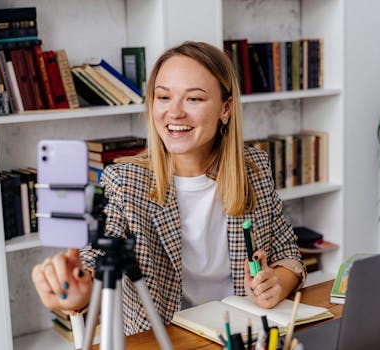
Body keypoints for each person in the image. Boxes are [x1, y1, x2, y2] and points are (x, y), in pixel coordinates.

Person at [32, 41, 305, 335]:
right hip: (166, 338)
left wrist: (277, 282)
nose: (174, 113)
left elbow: (286, 250)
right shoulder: (124, 181)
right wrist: (77, 289)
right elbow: (94, 260)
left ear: (225, 108)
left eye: (194, 99)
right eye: (163, 97)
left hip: (244, 333)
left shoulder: (254, 168)